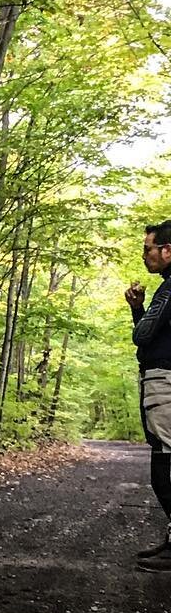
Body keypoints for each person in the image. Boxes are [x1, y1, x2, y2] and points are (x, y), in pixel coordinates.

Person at [125, 219, 171, 570]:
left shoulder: (169, 290)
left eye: (149, 249)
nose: (146, 256)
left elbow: (142, 336)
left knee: (165, 463)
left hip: (165, 381)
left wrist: (137, 311)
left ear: (168, 251)